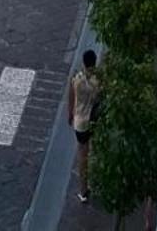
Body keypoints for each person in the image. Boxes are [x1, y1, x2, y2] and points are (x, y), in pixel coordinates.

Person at [66, 48, 103, 205]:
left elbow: (71, 97)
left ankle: (83, 191)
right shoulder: (98, 80)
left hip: (80, 123)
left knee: (82, 155)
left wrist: (70, 115)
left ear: (83, 62)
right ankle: (95, 180)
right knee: (94, 149)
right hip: (93, 119)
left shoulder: (76, 78)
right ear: (94, 63)